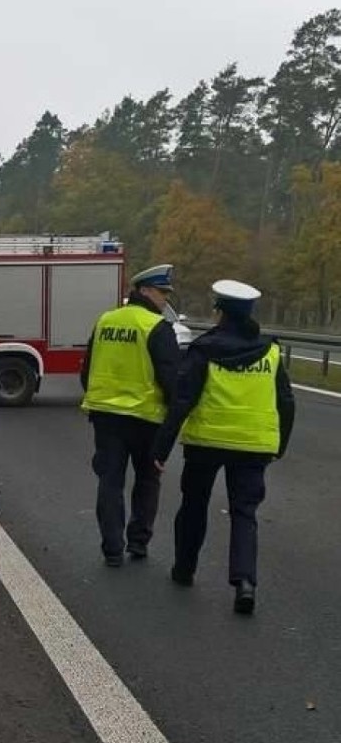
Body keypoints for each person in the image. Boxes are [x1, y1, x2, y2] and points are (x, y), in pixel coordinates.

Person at [152, 279, 295, 615]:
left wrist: (161, 448)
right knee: (244, 513)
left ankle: (184, 569)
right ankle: (245, 583)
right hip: (254, 446)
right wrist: (280, 445)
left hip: (207, 443)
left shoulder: (204, 349)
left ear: (219, 312)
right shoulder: (271, 351)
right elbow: (286, 402)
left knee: (194, 505)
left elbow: (182, 399)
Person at [81, 263, 180, 567]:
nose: (166, 299)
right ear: (144, 290)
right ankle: (138, 542)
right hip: (146, 419)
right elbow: (172, 378)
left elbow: (87, 369)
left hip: (106, 416)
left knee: (109, 481)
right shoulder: (156, 326)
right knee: (147, 481)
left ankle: (112, 548)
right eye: (162, 292)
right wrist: (174, 417)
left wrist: (99, 397)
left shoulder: (105, 321)